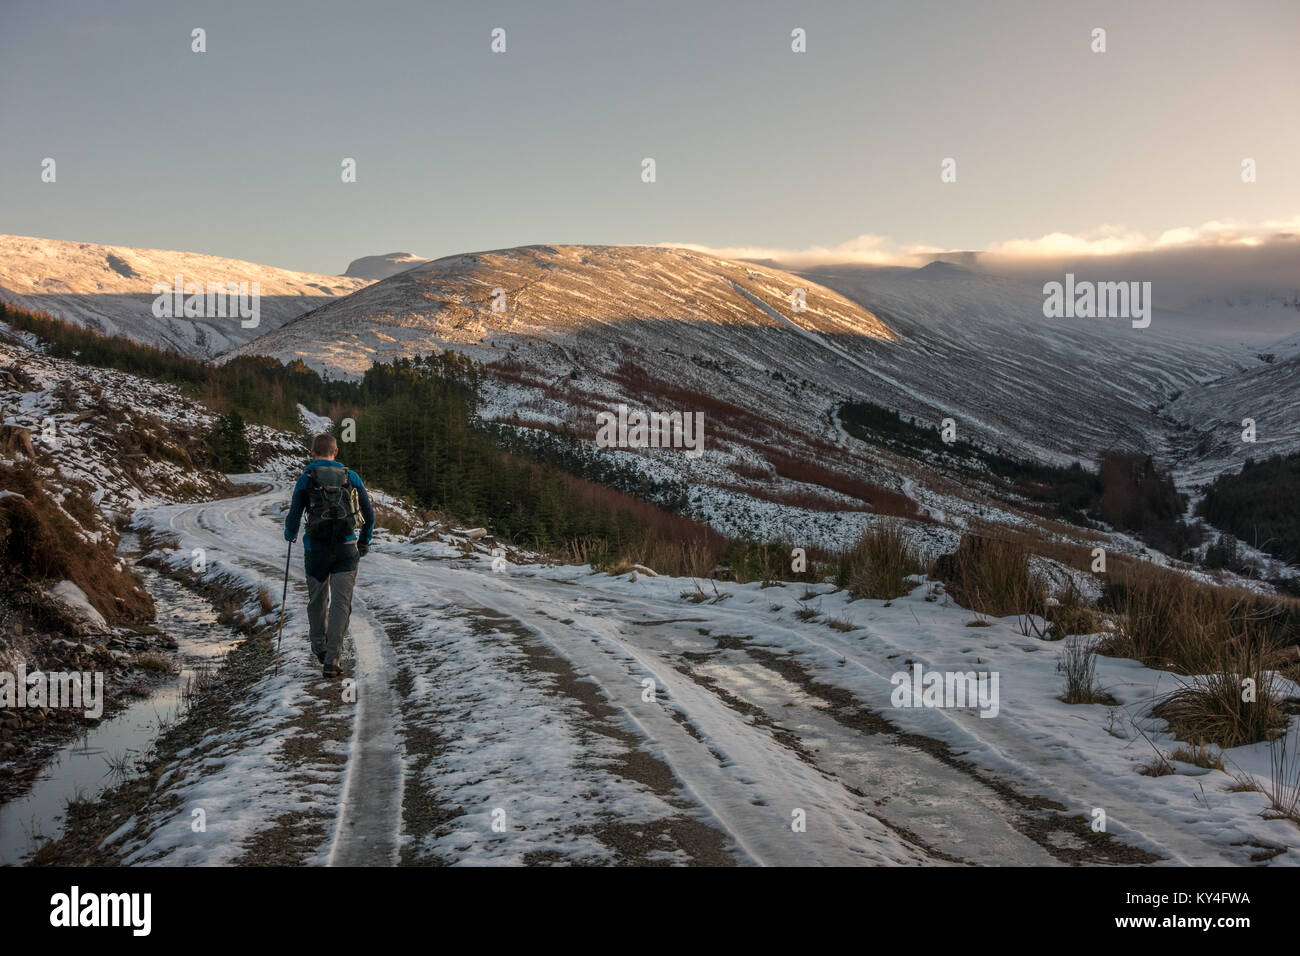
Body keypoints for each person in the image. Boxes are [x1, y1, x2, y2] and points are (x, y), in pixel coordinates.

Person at [283, 434, 374, 678]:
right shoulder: (350, 476)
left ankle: (319, 646)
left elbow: (294, 514)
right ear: (336, 452)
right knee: (341, 604)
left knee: (317, 601)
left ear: (312, 453)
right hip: (346, 548)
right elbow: (369, 514)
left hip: (316, 549)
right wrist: (364, 541)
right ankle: (333, 659)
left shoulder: (306, 478)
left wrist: (290, 534)